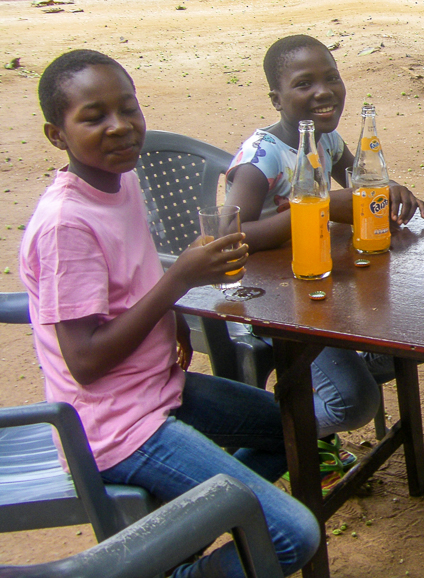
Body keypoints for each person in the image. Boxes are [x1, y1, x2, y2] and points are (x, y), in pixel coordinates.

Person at [19, 49, 320, 578]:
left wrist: (172, 315)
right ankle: (167, 564)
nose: (120, 128)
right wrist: (179, 279)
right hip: (117, 427)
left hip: (161, 386)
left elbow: (127, 282)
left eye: (128, 108)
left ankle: (173, 536)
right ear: (55, 134)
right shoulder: (66, 225)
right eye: (94, 117)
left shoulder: (118, 179)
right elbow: (84, 361)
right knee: (291, 535)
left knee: (295, 425)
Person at [224, 34, 424, 490]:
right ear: (276, 99)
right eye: (304, 84)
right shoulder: (263, 156)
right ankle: (249, 456)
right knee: (354, 403)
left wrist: (390, 191)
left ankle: (309, 419)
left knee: (400, 353)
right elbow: (229, 234)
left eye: (331, 77)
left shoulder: (327, 138)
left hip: (321, 294)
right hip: (272, 305)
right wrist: (318, 208)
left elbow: (360, 186)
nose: (323, 91)